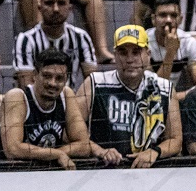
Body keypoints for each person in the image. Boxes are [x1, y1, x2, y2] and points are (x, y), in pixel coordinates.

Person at [76, 25, 182, 168]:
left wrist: (154, 152)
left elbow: (175, 140)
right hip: (101, 170)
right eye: (123, 52)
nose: (130, 59)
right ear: (115, 55)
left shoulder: (165, 88)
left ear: (148, 55)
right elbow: (69, 134)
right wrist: (100, 151)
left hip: (149, 172)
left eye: (136, 52)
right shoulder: (94, 83)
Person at [0, 48, 91, 169]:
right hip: (9, 175)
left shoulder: (66, 95)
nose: (52, 83)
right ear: (35, 75)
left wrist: (56, 154)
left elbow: (84, 146)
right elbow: (13, 149)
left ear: (66, 80)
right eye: (47, 76)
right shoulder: (17, 97)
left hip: (50, 174)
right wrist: (56, 153)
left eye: (59, 78)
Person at [14, 0, 99, 91]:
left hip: (69, 100)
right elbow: (26, 86)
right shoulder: (25, 40)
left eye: (61, 3)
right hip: (36, 103)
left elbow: (92, 81)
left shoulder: (81, 37)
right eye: (49, 3)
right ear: (39, 6)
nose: (55, 9)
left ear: (70, 7)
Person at [145, 0, 196, 101]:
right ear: (153, 19)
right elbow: (153, 89)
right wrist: (171, 52)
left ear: (180, 19)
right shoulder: (143, 42)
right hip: (148, 99)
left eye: (173, 15)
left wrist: (174, 99)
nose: (168, 20)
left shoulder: (189, 42)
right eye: (163, 15)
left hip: (177, 98)